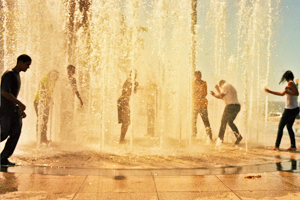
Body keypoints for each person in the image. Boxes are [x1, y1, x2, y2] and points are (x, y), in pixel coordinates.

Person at [0, 54, 31, 166]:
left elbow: (12, 95)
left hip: (14, 111)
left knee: (16, 133)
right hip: (5, 111)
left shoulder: (16, 75)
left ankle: (3, 158)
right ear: (20, 62)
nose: (28, 67)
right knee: (4, 134)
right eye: (27, 64)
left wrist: (19, 109)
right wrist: (19, 103)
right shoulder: (9, 74)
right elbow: (4, 92)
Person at [264, 70, 299, 151]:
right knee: (289, 127)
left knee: (281, 126)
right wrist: (269, 91)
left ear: (287, 77)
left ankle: (277, 146)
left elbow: (297, 93)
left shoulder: (290, 83)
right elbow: (281, 94)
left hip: (290, 109)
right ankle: (293, 146)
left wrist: (289, 90)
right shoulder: (290, 84)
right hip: (294, 109)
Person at [210, 80, 242, 146]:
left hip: (230, 106)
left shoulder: (225, 85)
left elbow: (220, 96)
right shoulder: (231, 87)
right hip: (237, 106)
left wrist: (214, 94)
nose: (222, 89)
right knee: (230, 122)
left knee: (223, 121)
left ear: (221, 84)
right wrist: (218, 89)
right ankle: (238, 136)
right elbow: (223, 98)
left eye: (221, 88)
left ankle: (220, 138)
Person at [34, 70, 59, 144]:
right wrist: (47, 97)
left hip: (45, 102)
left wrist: (50, 99)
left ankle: (44, 138)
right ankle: (39, 138)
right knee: (40, 120)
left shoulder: (53, 82)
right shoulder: (46, 78)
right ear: (52, 75)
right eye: (56, 75)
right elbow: (42, 89)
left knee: (45, 120)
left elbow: (50, 92)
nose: (57, 77)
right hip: (39, 101)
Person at [60, 65, 83, 140]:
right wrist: (80, 100)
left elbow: (75, 90)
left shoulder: (67, 79)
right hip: (65, 102)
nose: (74, 72)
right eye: (73, 70)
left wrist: (80, 100)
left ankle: (65, 136)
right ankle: (64, 135)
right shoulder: (67, 79)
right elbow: (75, 90)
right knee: (66, 117)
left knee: (67, 118)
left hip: (67, 102)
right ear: (69, 70)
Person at [117, 70, 139, 143]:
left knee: (125, 122)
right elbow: (134, 90)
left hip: (122, 101)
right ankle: (121, 140)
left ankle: (122, 139)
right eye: (135, 75)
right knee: (126, 122)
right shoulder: (130, 81)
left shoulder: (129, 81)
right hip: (124, 101)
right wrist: (136, 84)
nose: (136, 76)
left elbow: (134, 91)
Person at [192, 71, 213, 144]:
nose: (199, 76)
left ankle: (210, 137)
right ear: (195, 76)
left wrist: (202, 96)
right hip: (195, 105)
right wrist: (196, 91)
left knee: (206, 121)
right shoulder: (193, 83)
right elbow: (192, 93)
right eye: (198, 75)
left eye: (200, 75)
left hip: (203, 104)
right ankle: (193, 137)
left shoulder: (204, 82)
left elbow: (206, 92)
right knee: (193, 121)